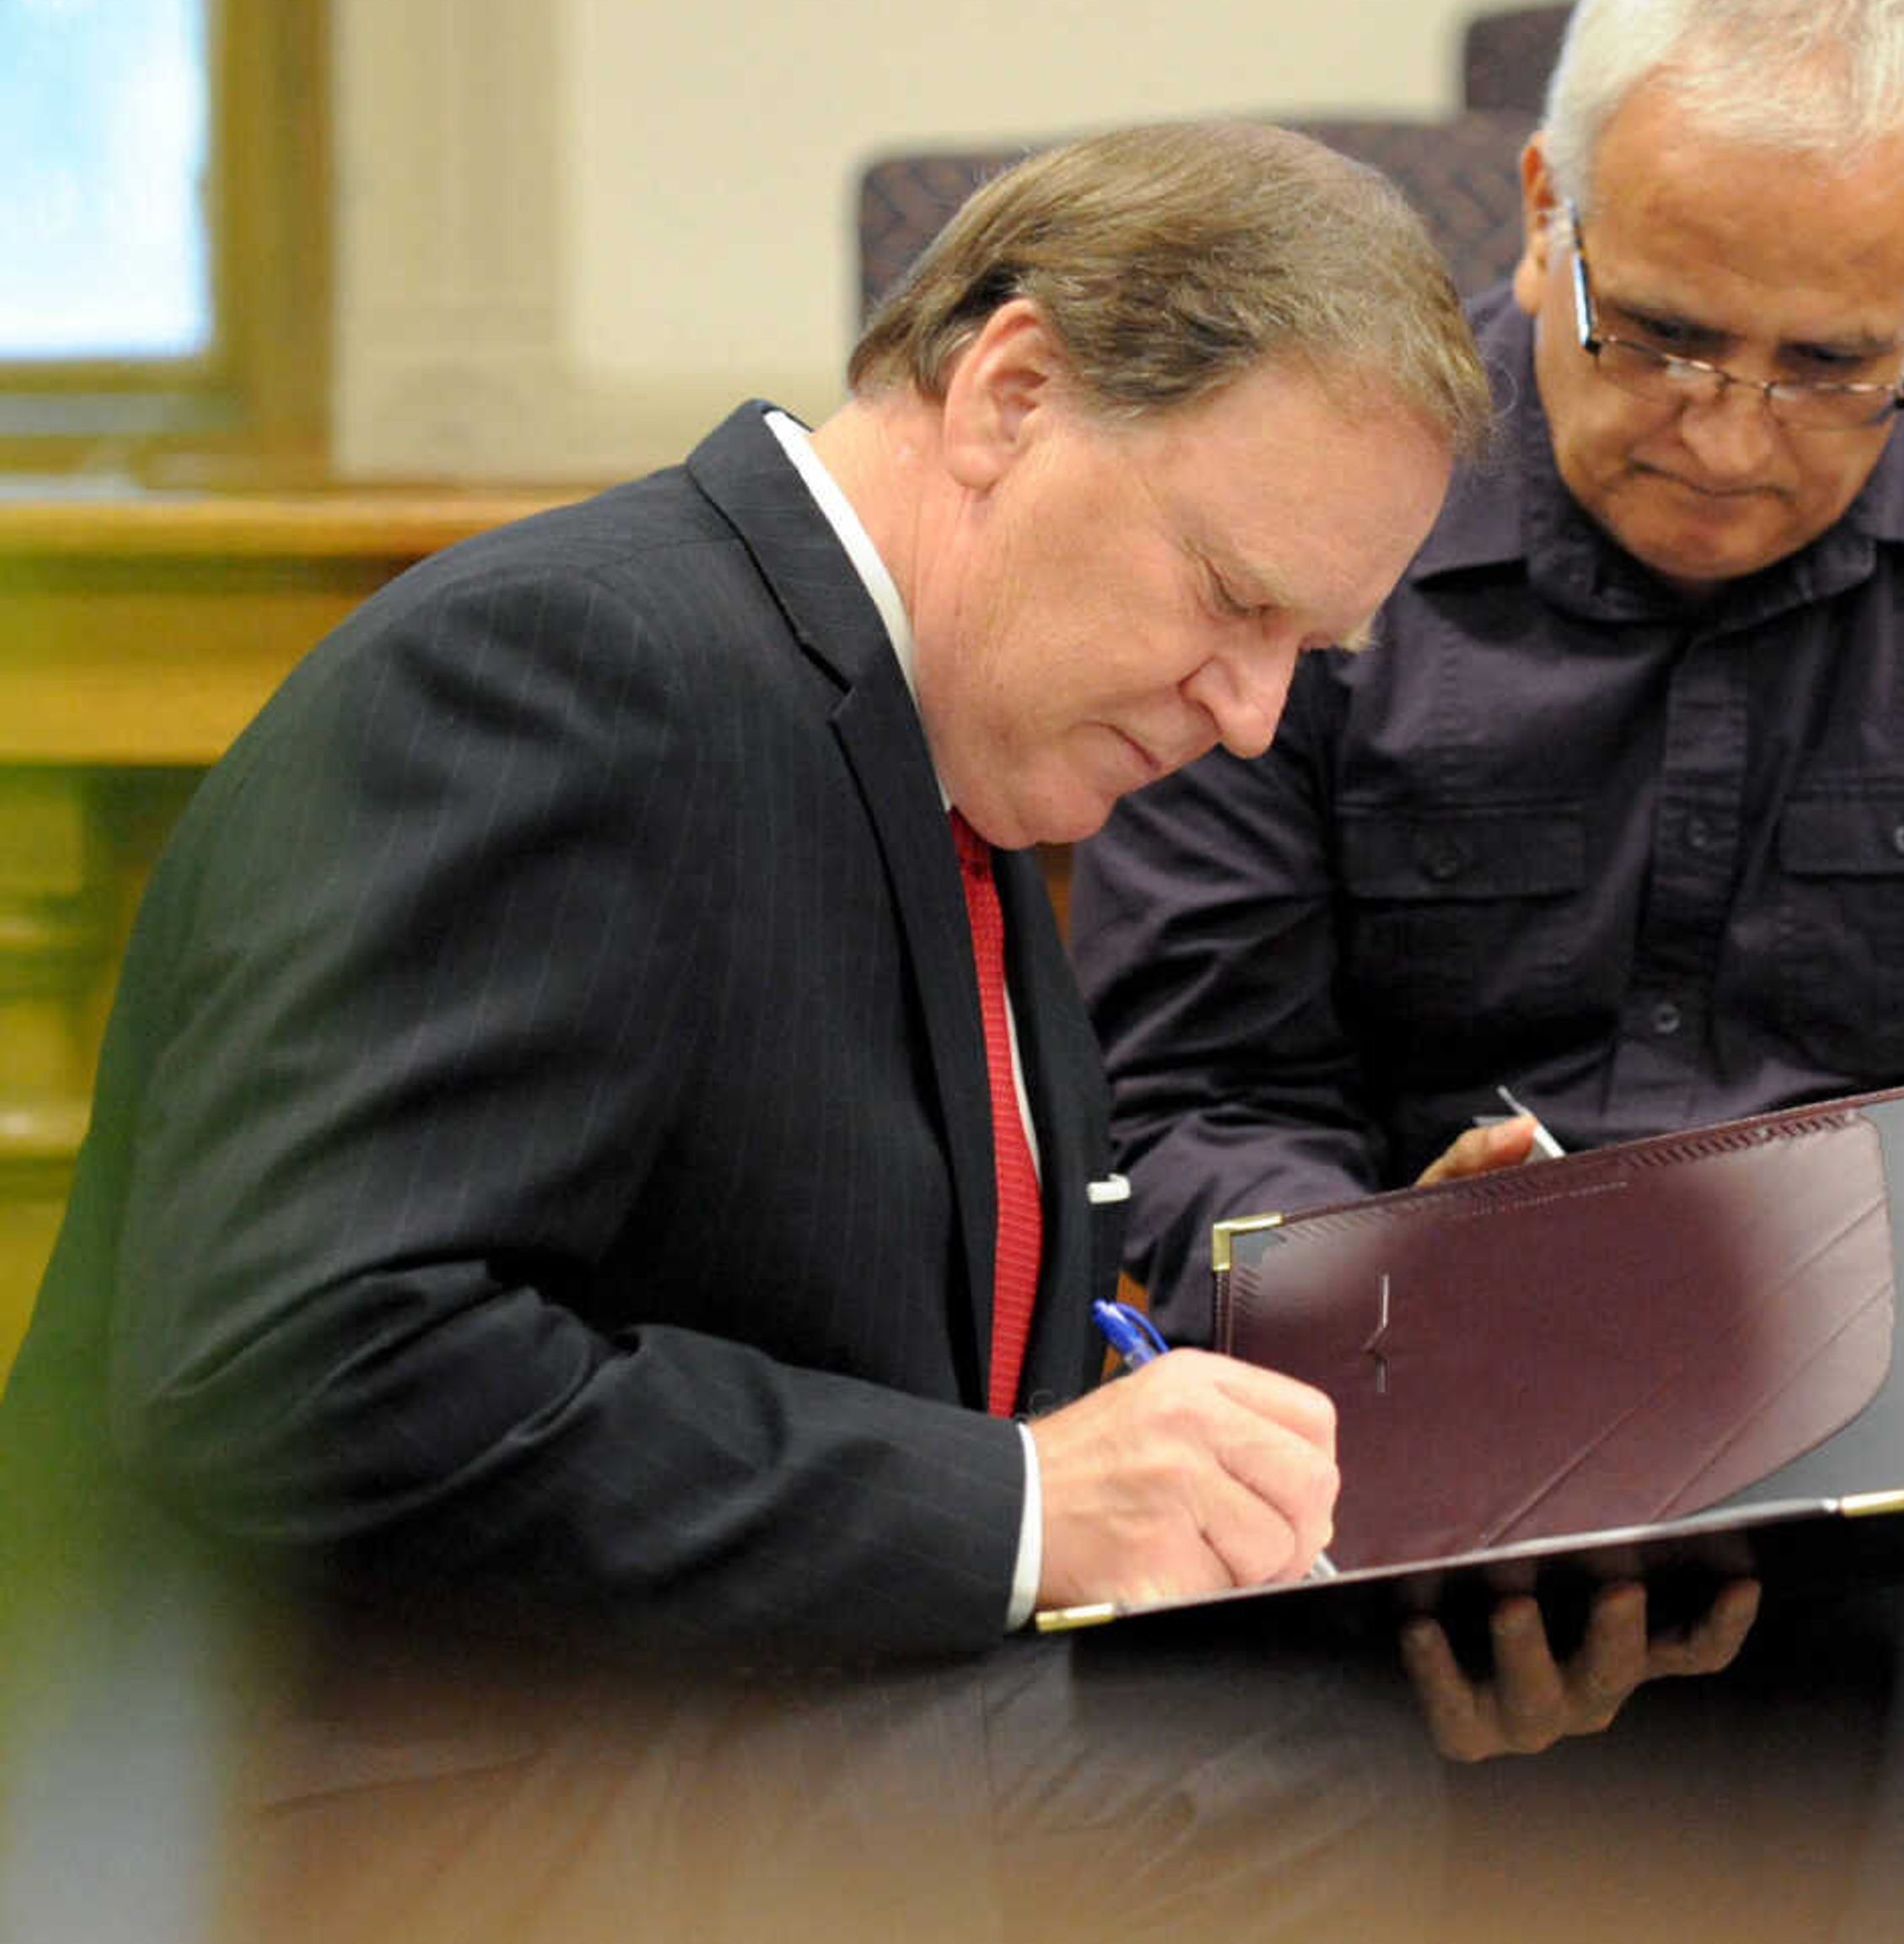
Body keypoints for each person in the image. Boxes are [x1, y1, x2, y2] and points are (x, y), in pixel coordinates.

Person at [0, 120, 1492, 1941]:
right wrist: (1020, 1498)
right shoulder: (579, 670)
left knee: (1356, 1699)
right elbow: (298, 1365)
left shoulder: (946, 753)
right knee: (1266, 1772)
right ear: (1010, 393)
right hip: (356, 1796)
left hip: (669, 1733)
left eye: (1308, 657)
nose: (1255, 718)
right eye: (1230, 600)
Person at [1067, 0, 1904, 1943]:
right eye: (1664, 336)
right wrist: (1412, 1315)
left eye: (1833, 368)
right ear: (1547, 205)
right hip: (1379, 1419)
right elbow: (1184, 1092)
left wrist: (1804, 1347)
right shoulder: (1317, 514)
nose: (1730, 436)